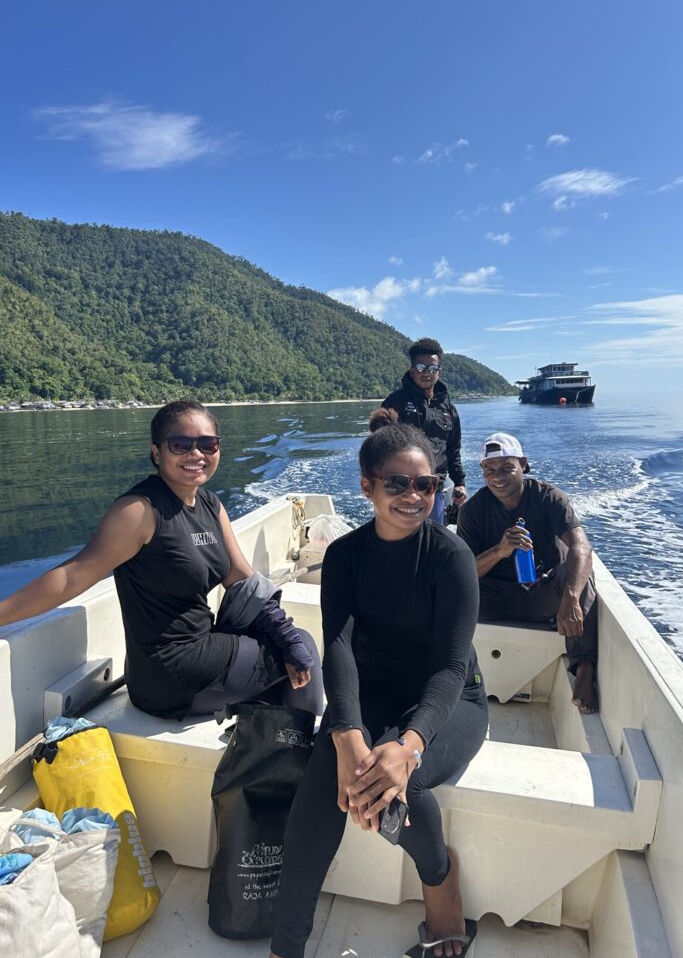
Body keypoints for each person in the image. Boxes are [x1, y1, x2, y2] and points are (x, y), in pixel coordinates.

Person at [269, 410, 487, 958]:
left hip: (450, 700)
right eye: (397, 483)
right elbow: (339, 648)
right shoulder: (345, 556)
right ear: (367, 487)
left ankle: (442, 883)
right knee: (321, 785)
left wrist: (409, 745)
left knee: (398, 782)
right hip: (372, 693)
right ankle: (285, 948)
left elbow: (451, 668)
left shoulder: (451, 557)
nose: (414, 496)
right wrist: (345, 734)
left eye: (426, 484)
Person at [0, 400, 323, 721]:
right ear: (157, 452)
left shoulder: (210, 505)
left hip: (198, 654)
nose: (196, 454)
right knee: (304, 648)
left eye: (207, 444)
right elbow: (71, 576)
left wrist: (282, 633)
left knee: (291, 646)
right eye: (181, 444)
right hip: (171, 673)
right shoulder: (139, 511)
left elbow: (241, 579)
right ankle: (301, 761)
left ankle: (278, 749)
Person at [456, 432, 598, 714]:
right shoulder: (472, 510)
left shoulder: (549, 498)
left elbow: (581, 547)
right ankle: (446, 669)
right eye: (489, 470)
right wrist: (499, 551)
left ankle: (584, 669)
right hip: (492, 598)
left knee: (580, 573)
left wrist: (570, 598)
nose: (498, 477)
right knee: (444, 586)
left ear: (523, 464)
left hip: (539, 595)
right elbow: (463, 572)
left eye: (506, 468)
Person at [381, 338, 467, 524]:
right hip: (400, 489)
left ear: (439, 372)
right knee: (400, 537)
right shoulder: (395, 403)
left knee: (432, 537)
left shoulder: (449, 409)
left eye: (432, 368)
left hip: (434, 489)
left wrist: (459, 482)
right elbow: (379, 448)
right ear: (412, 370)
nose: (427, 373)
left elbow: (453, 449)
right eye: (421, 368)